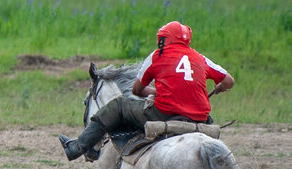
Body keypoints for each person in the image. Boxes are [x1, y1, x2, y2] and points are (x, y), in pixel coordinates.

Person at [59, 21, 234, 161]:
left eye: (163, 38)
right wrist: (219, 88)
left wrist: (155, 92)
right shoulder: (200, 57)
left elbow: (136, 89)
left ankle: (77, 147)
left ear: (167, 39)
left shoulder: (157, 55)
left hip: (164, 114)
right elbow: (229, 81)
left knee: (119, 105)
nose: (161, 42)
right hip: (200, 118)